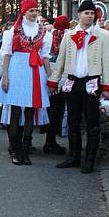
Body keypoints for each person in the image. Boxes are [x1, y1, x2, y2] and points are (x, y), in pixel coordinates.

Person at [49, 0, 109, 173]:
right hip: (73, 81)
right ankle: (74, 157)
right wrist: (54, 81)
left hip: (92, 82)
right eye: (86, 13)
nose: (89, 16)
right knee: (73, 120)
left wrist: (107, 87)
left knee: (93, 122)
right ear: (79, 14)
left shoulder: (101, 36)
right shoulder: (69, 35)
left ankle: (90, 160)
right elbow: (61, 60)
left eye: (92, 13)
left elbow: (107, 63)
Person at [0, 0, 52, 165]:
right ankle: (15, 149)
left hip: (35, 71)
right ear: (24, 12)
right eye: (31, 11)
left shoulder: (45, 33)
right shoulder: (12, 32)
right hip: (17, 69)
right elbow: (6, 54)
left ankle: (25, 150)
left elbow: (45, 56)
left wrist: (50, 77)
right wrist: (5, 76)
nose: (34, 14)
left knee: (29, 111)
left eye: (36, 10)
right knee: (15, 110)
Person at [44, 15, 70, 154]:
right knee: (56, 111)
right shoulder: (67, 37)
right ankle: (50, 141)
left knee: (49, 110)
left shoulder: (49, 35)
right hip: (59, 76)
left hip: (48, 75)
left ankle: (46, 141)